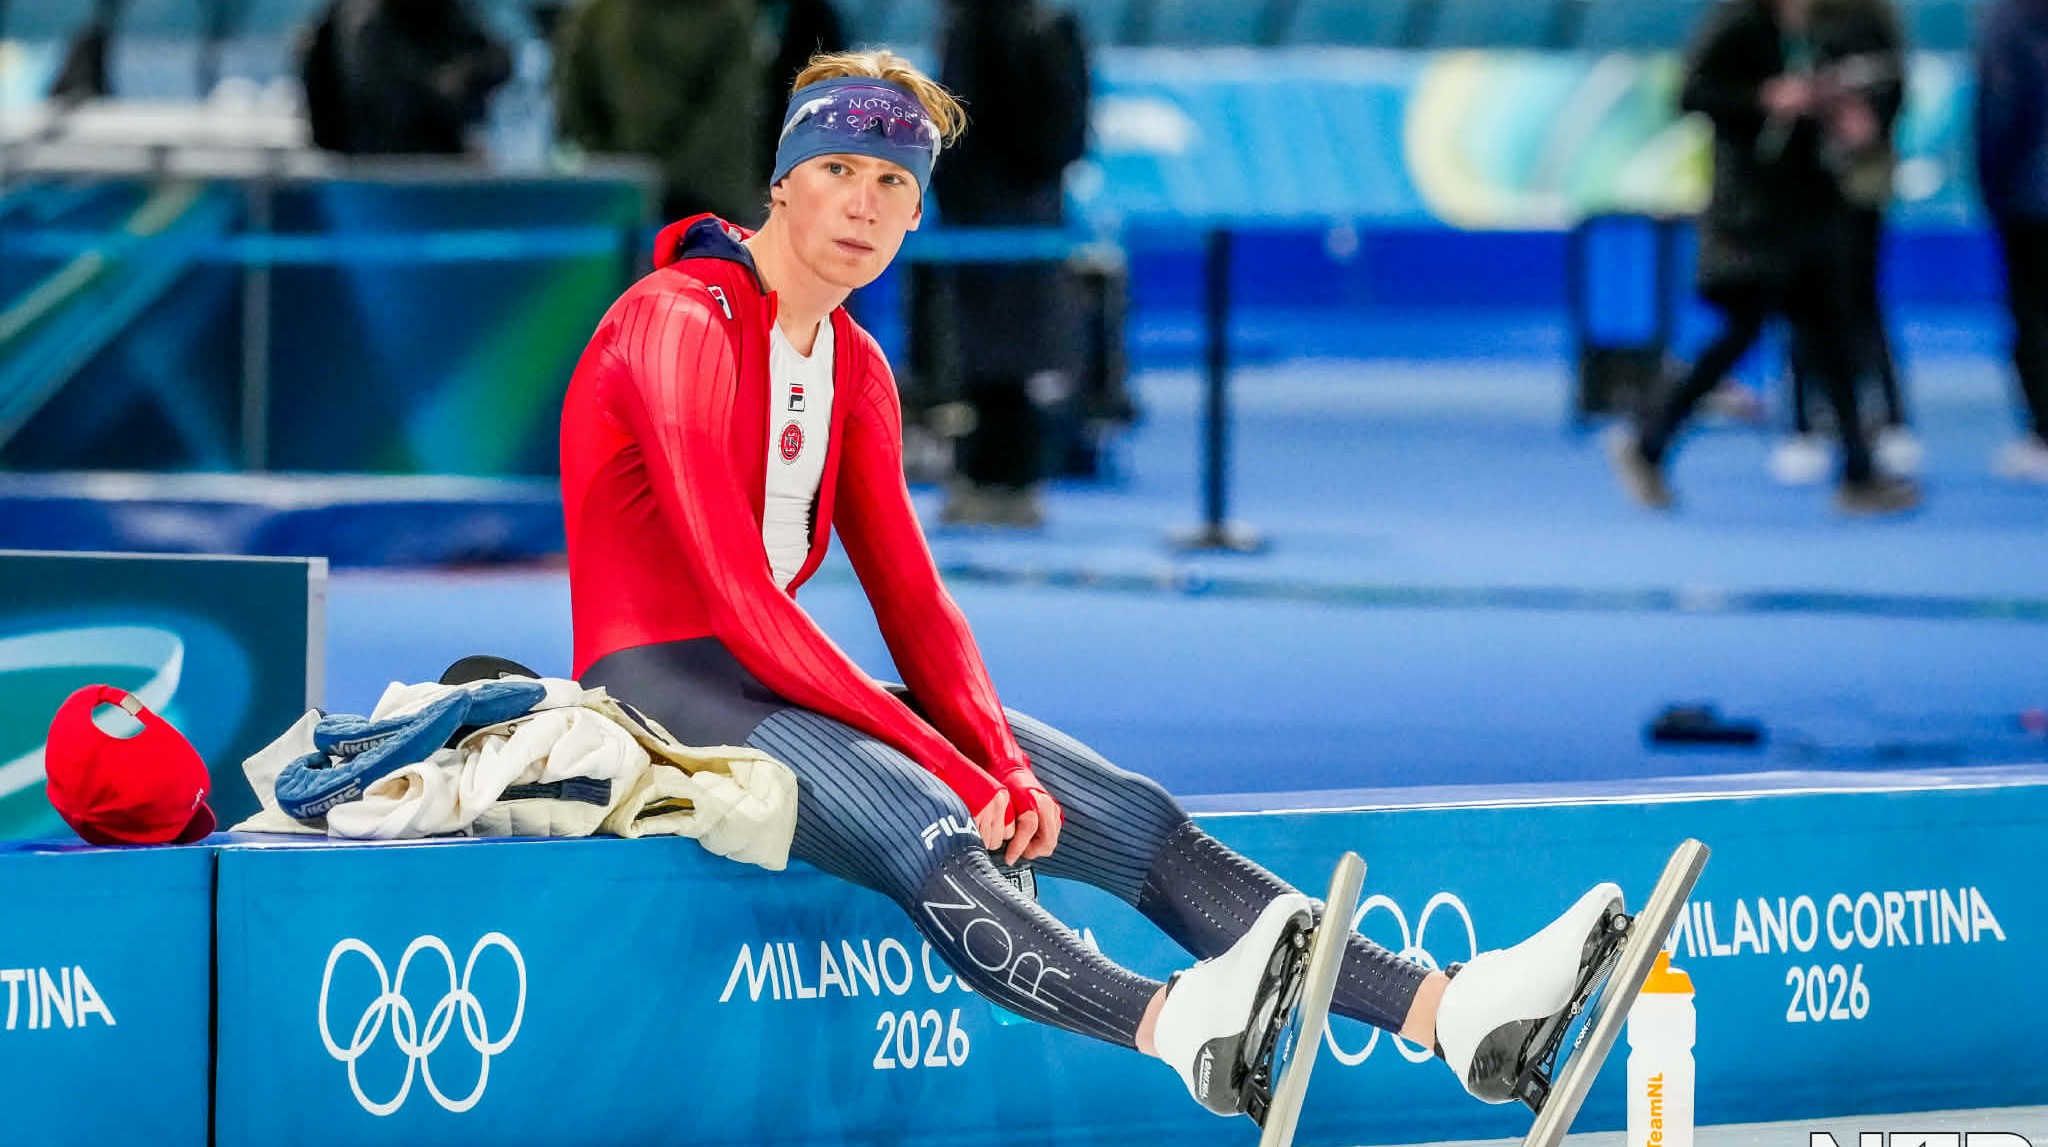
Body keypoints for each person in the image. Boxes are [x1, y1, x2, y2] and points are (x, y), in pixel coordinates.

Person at [558, 47, 1627, 1117]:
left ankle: (1451, 1010)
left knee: (1123, 813)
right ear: (781, 178)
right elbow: (740, 600)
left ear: (920, 213)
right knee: (928, 820)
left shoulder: (855, 368)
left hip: (768, 682)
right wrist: (956, 766)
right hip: (656, 686)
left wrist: (1001, 759)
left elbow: (915, 604)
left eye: (894, 183)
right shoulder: (678, 318)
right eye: (839, 167)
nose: (865, 203)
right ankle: (1176, 1025)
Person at [1607, 0, 1921, 515]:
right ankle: (1647, 439)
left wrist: (1841, 112)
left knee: (1829, 334)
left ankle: (1858, 471)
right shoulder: (1739, 25)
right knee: (1740, 331)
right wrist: (1762, 99)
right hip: (1751, 212)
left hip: (1812, 201)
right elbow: (1692, 94)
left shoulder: (1826, 25)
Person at [926, 0, 1091, 528]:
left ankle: (994, 478)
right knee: (1019, 351)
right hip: (1035, 206)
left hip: (983, 210)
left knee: (988, 353)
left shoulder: (974, 26)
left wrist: (949, 186)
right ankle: (1013, 479)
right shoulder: (1054, 24)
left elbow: (956, 120)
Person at [1774, 0, 1917, 486]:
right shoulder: (1782, 19)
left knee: (1860, 297)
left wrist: (1866, 124)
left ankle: (1891, 422)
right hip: (1797, 187)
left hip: (1859, 184)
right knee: (1801, 307)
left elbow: (1896, 87)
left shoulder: (1874, 17)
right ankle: (1802, 427)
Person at [553, 0, 765, 226]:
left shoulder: (726, 15)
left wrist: (637, 174)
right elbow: (576, 96)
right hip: (625, 192)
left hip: (701, 198)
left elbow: (727, 112)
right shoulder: (598, 13)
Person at [1976, 0, 2048, 481]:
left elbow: (2002, 110)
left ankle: (2044, 432)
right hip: (2030, 190)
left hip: (2031, 196)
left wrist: (1994, 188)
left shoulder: (2011, 21)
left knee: (2035, 314)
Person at [299, 0, 511, 157]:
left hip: (439, 161)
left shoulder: (442, 11)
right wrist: (440, 88)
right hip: (376, 162)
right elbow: (390, 98)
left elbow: (498, 59)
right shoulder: (362, 23)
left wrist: (464, 73)